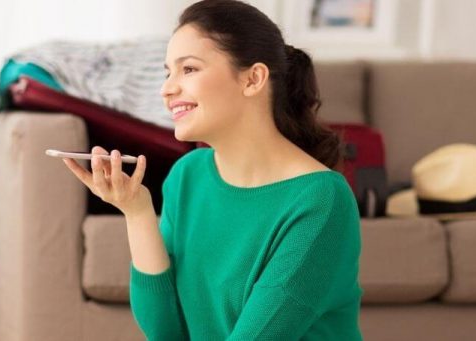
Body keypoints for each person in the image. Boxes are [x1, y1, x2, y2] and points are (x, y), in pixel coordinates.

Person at [61, 0, 363, 339]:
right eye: (167, 71)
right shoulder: (187, 175)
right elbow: (165, 331)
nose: (167, 88)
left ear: (253, 79)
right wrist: (137, 212)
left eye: (188, 69)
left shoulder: (321, 200)